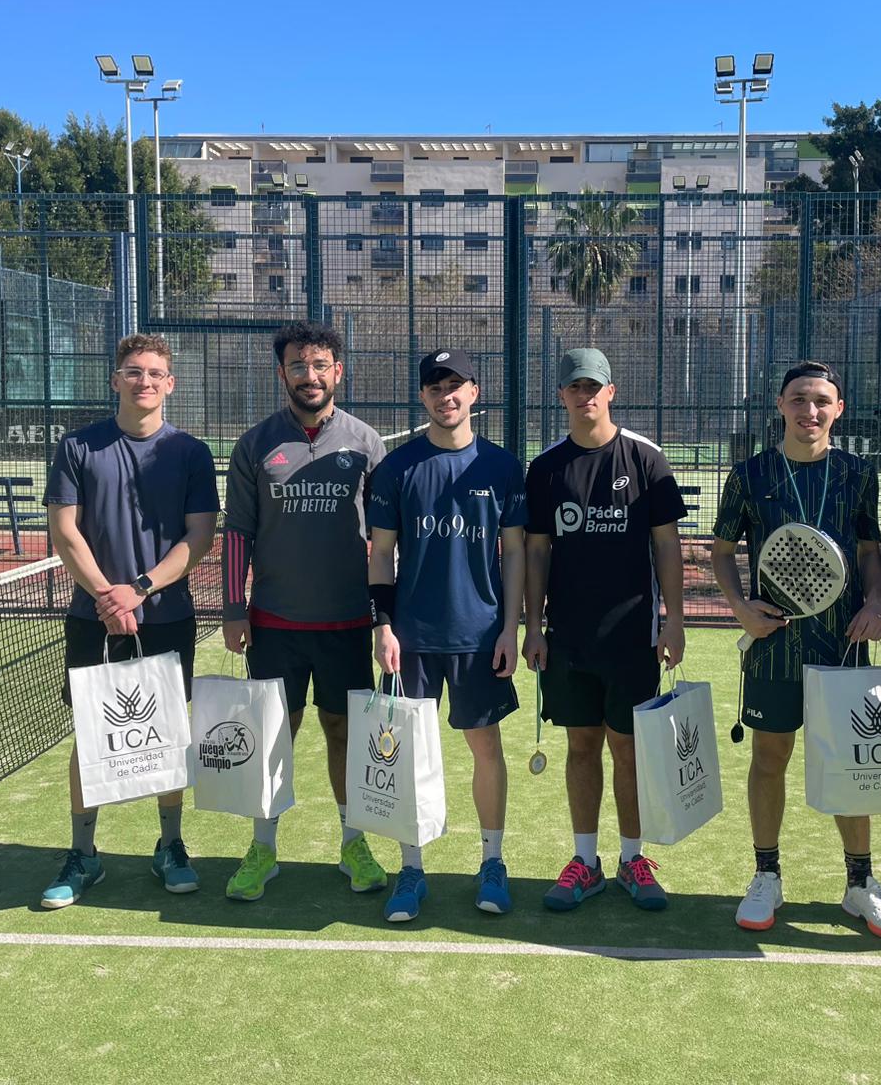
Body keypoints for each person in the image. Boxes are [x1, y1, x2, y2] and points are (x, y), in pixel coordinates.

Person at [711, 361, 881, 938]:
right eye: (799, 399)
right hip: (773, 646)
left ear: (838, 409)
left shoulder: (858, 473)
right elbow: (722, 551)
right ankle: (766, 874)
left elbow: (870, 550)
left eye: (822, 400)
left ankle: (860, 884)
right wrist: (741, 609)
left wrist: (877, 603)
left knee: (849, 763)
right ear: (781, 405)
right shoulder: (749, 474)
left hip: (844, 645)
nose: (811, 410)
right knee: (769, 759)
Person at [40, 333, 219, 909]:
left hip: (167, 616)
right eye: (133, 371)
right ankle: (84, 855)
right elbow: (65, 531)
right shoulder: (77, 447)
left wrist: (138, 589)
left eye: (155, 373)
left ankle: (170, 846)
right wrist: (107, 597)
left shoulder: (191, 453)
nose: (144, 381)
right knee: (89, 734)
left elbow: (200, 538)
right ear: (116, 379)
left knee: (164, 734)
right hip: (91, 616)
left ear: (171, 384)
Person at [221, 320, 388, 902]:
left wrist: (384, 618)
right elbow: (238, 531)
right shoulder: (254, 444)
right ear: (282, 373)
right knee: (273, 735)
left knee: (343, 732)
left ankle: (353, 843)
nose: (309, 376)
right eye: (298, 366)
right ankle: (262, 847)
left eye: (320, 366)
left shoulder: (366, 443)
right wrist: (233, 609)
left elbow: (384, 540)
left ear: (338, 372)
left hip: (346, 624)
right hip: (274, 623)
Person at [524, 348, 687, 913]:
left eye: (593, 386)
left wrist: (674, 619)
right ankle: (585, 862)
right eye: (573, 387)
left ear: (611, 391)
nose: (584, 395)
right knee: (581, 746)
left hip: (632, 636)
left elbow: (667, 545)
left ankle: (632, 859)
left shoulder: (645, 458)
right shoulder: (545, 468)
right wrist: (534, 626)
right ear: (562, 395)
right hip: (568, 636)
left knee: (628, 749)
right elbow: (537, 551)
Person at [367, 349, 527, 922]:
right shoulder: (396, 468)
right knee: (406, 754)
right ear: (424, 398)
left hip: (481, 636)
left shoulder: (504, 468)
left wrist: (511, 626)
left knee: (486, 748)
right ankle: (411, 868)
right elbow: (380, 554)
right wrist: (383, 624)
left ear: (474, 393)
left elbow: (515, 555)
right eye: (435, 387)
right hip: (410, 639)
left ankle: (492, 862)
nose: (446, 396)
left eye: (455, 385)